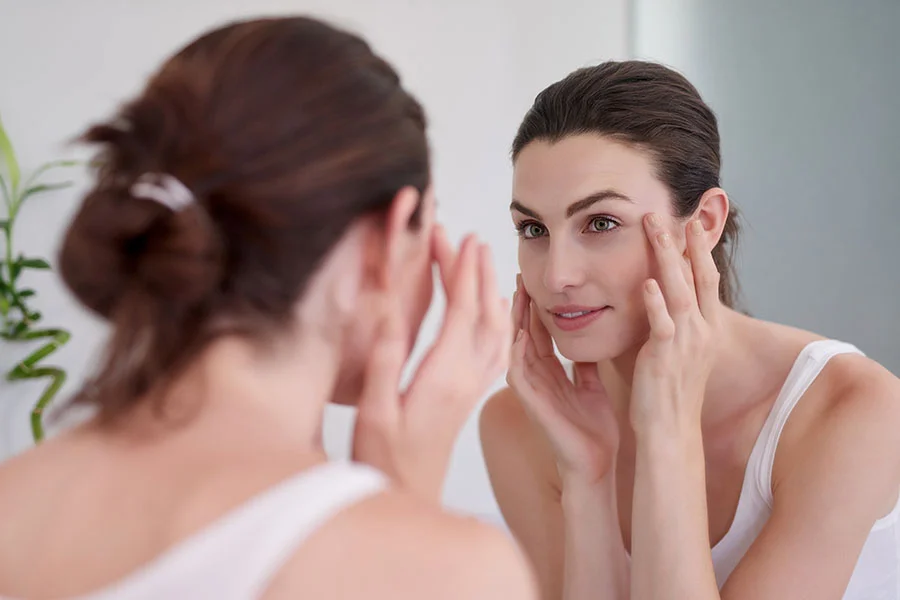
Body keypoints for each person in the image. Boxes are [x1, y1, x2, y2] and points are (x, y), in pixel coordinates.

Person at [0, 16, 537, 600]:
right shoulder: (442, 568)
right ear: (380, 243)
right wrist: (403, 507)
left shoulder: (15, 502)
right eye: (427, 228)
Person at [480, 60, 900, 600]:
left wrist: (667, 432)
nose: (556, 275)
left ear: (701, 224)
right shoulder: (524, 424)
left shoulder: (853, 411)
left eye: (601, 223)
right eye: (533, 228)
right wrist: (587, 479)